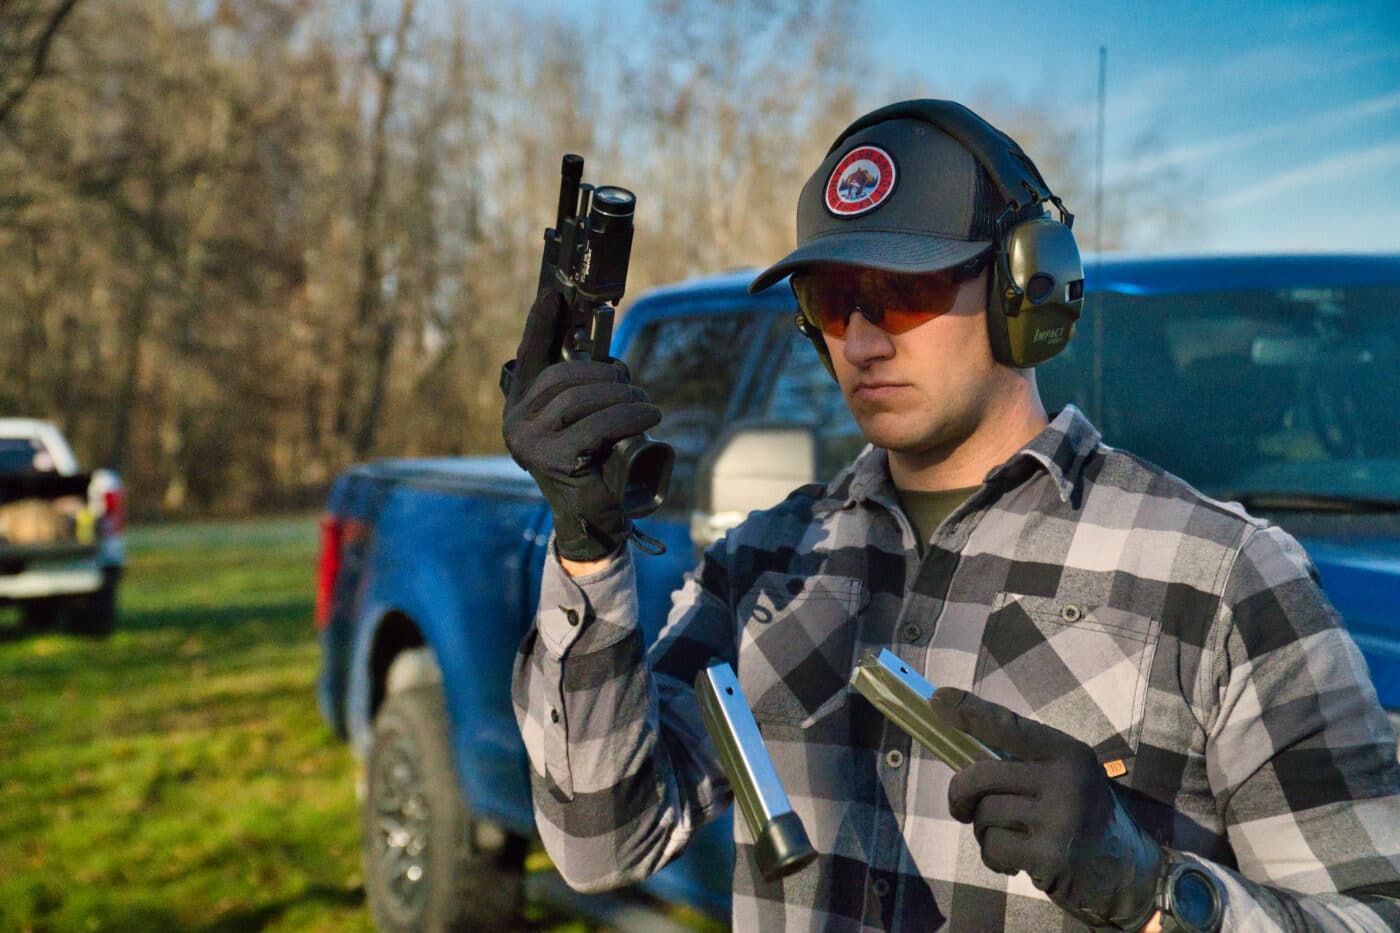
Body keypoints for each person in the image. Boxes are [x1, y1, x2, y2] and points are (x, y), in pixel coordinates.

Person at [501, 99, 1400, 931]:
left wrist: (1152, 888)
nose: (860, 340)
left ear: (1025, 291)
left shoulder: (1225, 577)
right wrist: (587, 550)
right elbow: (601, 842)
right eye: (829, 300)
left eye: (902, 291)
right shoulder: (765, 562)